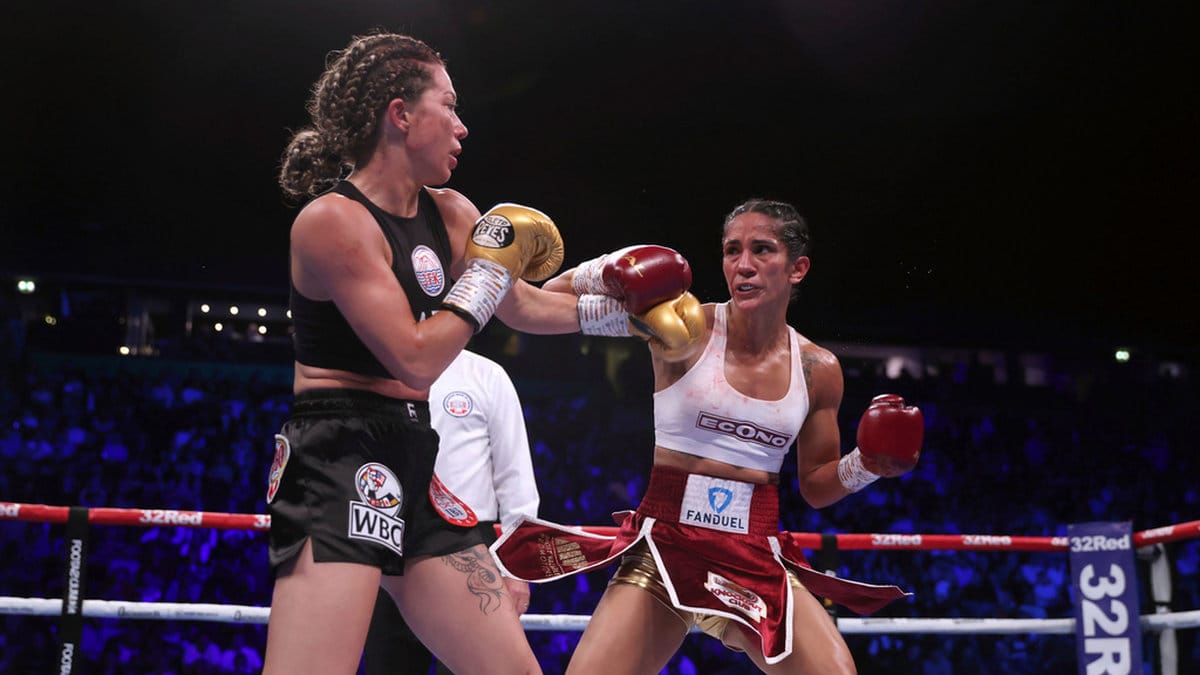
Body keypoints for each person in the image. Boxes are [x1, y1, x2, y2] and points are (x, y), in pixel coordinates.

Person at [492, 199, 925, 674]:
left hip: (754, 554)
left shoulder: (817, 368)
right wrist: (606, 268)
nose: (744, 265)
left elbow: (817, 486)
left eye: (762, 250)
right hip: (667, 544)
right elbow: (538, 307)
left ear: (797, 268)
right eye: (732, 250)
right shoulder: (680, 327)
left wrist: (866, 465)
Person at [263, 31, 580, 675]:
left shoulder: (452, 213)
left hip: (416, 455)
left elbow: (522, 306)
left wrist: (622, 308)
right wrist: (487, 275)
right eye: (450, 106)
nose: (462, 128)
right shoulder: (333, 223)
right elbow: (414, 357)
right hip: (340, 458)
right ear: (401, 115)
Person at [363, 348, 540, 675]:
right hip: (390, 536)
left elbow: (515, 477)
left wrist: (516, 570)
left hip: (471, 541)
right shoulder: (378, 367)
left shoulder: (486, 374)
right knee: (389, 663)